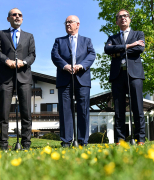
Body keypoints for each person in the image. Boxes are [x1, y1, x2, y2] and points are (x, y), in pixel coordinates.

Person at [0, 8, 36, 150]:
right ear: (8, 19)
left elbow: (32, 55)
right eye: (14, 15)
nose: (17, 17)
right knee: (3, 112)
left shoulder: (29, 36)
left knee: (26, 112)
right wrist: (7, 61)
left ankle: (26, 144)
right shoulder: (1, 34)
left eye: (20, 15)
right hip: (6, 77)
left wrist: (23, 62)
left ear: (22, 19)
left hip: (24, 77)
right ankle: (3, 145)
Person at [51, 15, 95, 147]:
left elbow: (92, 55)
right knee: (65, 110)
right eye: (66, 22)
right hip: (65, 79)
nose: (67, 24)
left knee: (83, 109)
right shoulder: (59, 41)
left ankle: (83, 141)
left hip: (82, 79)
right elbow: (55, 55)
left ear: (78, 24)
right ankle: (66, 140)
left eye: (70, 22)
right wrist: (65, 66)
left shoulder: (87, 41)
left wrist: (80, 66)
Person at [104, 9, 145, 145]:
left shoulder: (138, 34)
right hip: (117, 75)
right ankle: (120, 139)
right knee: (119, 109)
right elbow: (107, 49)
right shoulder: (112, 38)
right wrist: (129, 46)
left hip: (134, 75)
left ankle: (140, 138)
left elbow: (139, 49)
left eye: (126, 16)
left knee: (138, 107)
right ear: (116, 21)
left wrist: (119, 50)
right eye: (120, 17)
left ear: (129, 19)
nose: (123, 18)